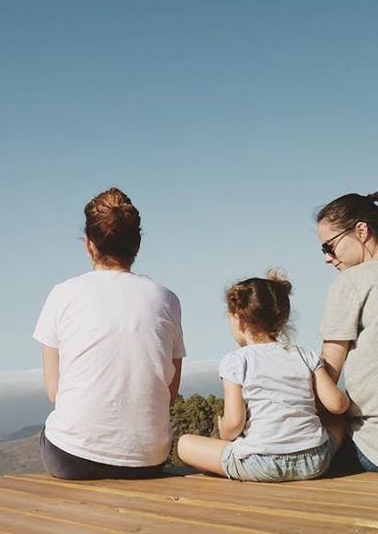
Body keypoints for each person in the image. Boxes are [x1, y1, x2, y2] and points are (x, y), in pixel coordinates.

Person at [33, 187, 185, 480]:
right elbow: (170, 392)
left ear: (89, 245)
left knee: (52, 433)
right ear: (137, 245)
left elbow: (56, 392)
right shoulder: (168, 299)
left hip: (71, 459)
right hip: (148, 458)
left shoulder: (62, 294)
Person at [177, 271, 348, 482]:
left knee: (184, 444)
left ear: (239, 319)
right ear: (281, 318)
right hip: (313, 460)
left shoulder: (236, 361)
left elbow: (235, 424)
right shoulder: (305, 355)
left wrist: (224, 427)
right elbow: (337, 404)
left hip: (260, 464)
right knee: (338, 422)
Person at [317, 191, 378, 472]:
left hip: (371, 445)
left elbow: (330, 368)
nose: (327, 258)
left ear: (361, 231)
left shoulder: (352, 282)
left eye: (329, 247)